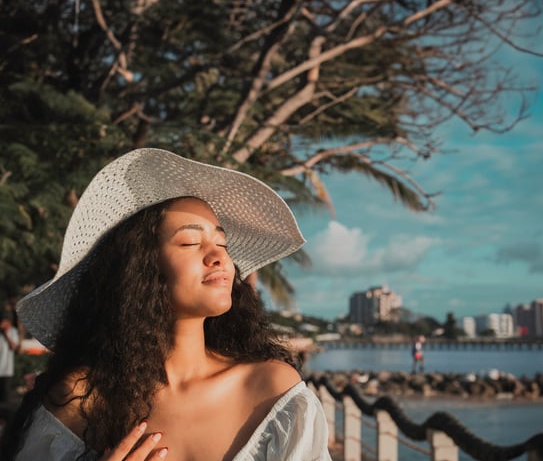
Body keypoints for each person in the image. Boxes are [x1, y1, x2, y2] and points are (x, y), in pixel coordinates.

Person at [0, 148, 332, 461]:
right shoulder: (81, 399)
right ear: (140, 268)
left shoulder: (272, 391)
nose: (219, 257)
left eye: (222, 242)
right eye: (190, 242)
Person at [0, 303, 20, 405]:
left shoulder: (13, 332)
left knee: (5, 398)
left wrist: (6, 335)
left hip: (7, 370)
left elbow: (13, 347)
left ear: (7, 322)